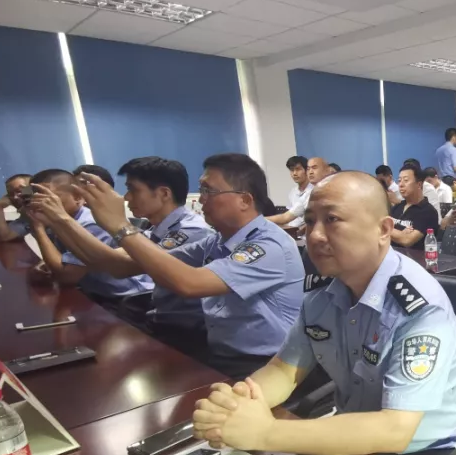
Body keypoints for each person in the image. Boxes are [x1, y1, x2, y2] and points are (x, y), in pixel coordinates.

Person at [191, 173, 456, 455]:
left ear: (383, 230)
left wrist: (266, 432)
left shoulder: (418, 308)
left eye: (332, 219)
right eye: (310, 221)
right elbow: (284, 370)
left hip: (430, 452)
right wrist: (238, 403)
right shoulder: (322, 292)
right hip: (353, 431)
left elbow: (396, 429)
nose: (315, 235)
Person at [71, 154, 304, 379]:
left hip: (267, 363)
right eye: (201, 190)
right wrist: (60, 219)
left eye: (208, 191)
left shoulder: (268, 245)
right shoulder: (217, 240)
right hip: (221, 352)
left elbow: (189, 284)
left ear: (244, 200)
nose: (201, 200)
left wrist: (120, 226)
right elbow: (123, 267)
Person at [29, 157, 212, 342]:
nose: (126, 197)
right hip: (161, 317)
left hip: (185, 329)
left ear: (164, 194)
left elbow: (121, 267)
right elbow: (106, 261)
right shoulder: (157, 229)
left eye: (133, 189)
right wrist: (58, 219)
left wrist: (63, 218)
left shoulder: (191, 231)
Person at [23, 168, 154, 300]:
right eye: (36, 198)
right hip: (96, 293)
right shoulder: (62, 220)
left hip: (129, 297)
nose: (41, 204)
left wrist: (38, 228)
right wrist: (44, 262)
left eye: (49, 199)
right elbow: (62, 258)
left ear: (77, 197)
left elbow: (66, 276)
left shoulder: (90, 224)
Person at [267, 157, 336, 228]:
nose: (310, 172)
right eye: (308, 169)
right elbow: (285, 217)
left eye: (314, 168)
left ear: (327, 171)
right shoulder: (308, 195)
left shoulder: (336, 190)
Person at [390, 165, 440, 248]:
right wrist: (400, 233)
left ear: (419, 184)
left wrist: (386, 229)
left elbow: (407, 240)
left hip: (413, 255)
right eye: (399, 180)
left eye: (406, 180)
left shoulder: (428, 212)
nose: (401, 184)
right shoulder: (397, 207)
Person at [0, 173, 33, 242]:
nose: (15, 197)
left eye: (19, 191)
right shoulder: (26, 219)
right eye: (10, 194)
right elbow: (4, 236)